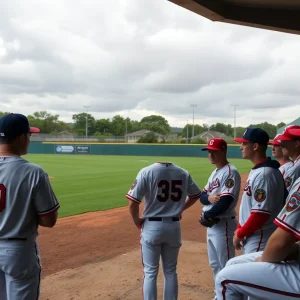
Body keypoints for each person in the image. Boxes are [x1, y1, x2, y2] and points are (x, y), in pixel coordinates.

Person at [0, 113, 60, 300]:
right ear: (20, 137)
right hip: (17, 252)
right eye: (29, 135)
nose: (29, 140)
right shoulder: (33, 172)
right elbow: (49, 220)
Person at [215, 174, 300, 299]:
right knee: (233, 263)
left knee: (224, 279)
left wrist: (264, 260)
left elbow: (280, 242)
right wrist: (296, 250)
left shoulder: (265, 174)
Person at [126, 161, 201, 300]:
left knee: (150, 272)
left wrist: (137, 221)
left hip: (152, 227)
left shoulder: (147, 171)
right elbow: (196, 195)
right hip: (173, 227)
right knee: (171, 271)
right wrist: (179, 209)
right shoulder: (182, 172)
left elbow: (133, 203)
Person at [199, 138, 241, 299]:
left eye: (214, 151)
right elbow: (202, 196)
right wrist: (209, 199)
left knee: (227, 266)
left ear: (223, 151)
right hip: (212, 226)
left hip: (223, 224)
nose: (210, 154)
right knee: (215, 265)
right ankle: (220, 296)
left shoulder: (231, 172)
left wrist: (208, 214)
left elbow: (226, 201)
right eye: (209, 151)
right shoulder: (215, 172)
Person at [233, 128, 286, 254]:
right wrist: (240, 228)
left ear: (255, 146)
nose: (241, 147)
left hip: (261, 239)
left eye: (244, 143)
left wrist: (240, 233)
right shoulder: (260, 170)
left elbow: (260, 214)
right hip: (255, 236)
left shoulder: (264, 174)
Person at [276, 125, 300, 192]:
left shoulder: (295, 169)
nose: (281, 145)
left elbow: (284, 195)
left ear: (296, 144)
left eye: (285, 141)